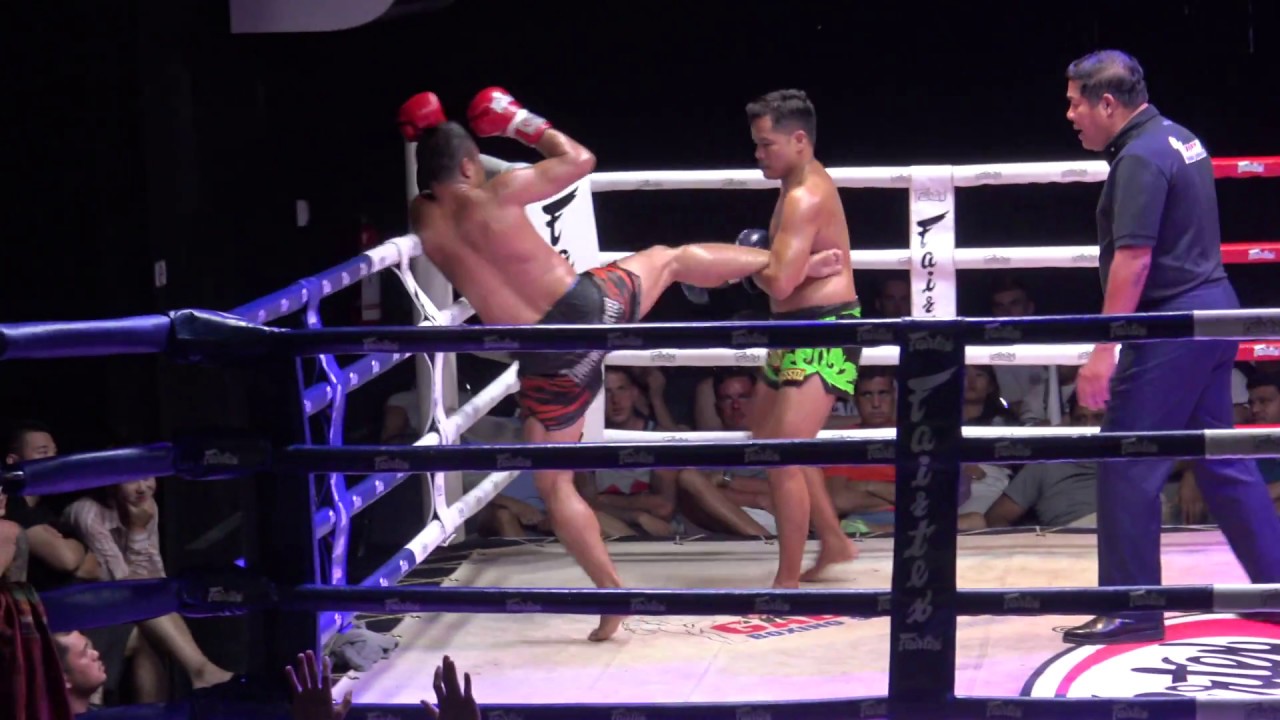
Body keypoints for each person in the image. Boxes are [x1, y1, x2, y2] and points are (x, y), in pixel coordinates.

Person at [397, 87, 845, 641]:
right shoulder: (503, 192)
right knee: (670, 260)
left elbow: (441, 179)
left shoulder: (424, 220)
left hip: (544, 357)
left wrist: (434, 136)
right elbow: (579, 159)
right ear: (472, 166)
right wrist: (515, 122)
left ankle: (611, 596)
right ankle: (780, 265)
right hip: (589, 311)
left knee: (555, 485)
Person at [1061, 49, 1280, 644]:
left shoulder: (1139, 157)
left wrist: (1104, 351)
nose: (1071, 114)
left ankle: (1133, 609)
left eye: (1076, 103)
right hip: (1211, 311)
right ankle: (1275, 590)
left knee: (1126, 460)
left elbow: (1134, 258)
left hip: (1174, 324)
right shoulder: (1182, 138)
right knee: (1222, 460)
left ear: (1108, 103)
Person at [741, 89, 860, 588]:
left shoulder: (804, 196)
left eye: (766, 144)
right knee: (769, 436)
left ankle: (786, 583)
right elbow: (786, 275)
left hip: (823, 329)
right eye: (756, 144)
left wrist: (747, 261)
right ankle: (833, 539)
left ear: (798, 139)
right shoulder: (797, 180)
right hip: (793, 329)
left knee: (783, 454)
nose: (758, 154)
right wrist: (796, 266)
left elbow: (779, 282)